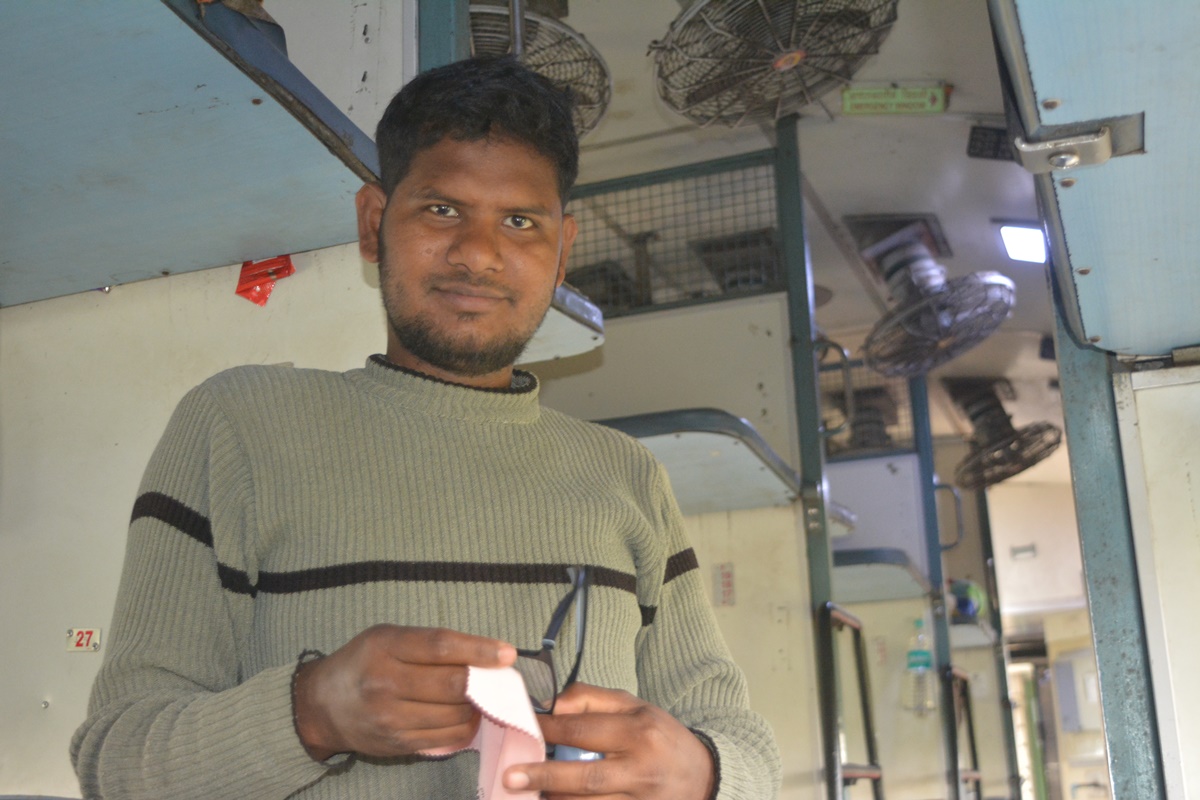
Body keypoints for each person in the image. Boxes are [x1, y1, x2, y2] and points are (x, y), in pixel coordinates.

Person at [71, 55, 781, 799]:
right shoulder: (239, 427)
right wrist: (312, 711)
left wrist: (703, 773)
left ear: (562, 252)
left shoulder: (627, 474)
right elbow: (118, 764)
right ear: (373, 223)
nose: (478, 255)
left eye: (520, 222)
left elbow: (743, 747)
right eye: (442, 210)